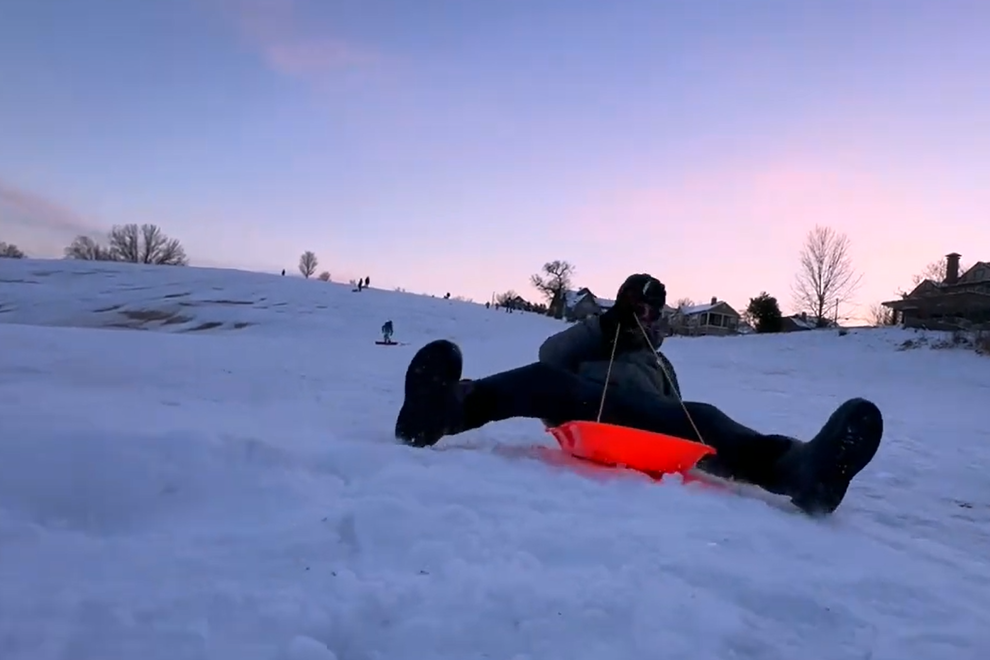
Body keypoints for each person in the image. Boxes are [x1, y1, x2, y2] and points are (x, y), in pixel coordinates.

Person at [394, 274, 883, 516]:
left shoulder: (659, 361)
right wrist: (603, 327)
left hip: (648, 423)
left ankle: (802, 471)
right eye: (637, 308)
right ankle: (441, 413)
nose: (645, 318)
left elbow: (678, 423)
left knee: (705, 417)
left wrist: (686, 437)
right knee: (543, 381)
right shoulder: (594, 337)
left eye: (652, 311)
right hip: (587, 406)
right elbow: (550, 354)